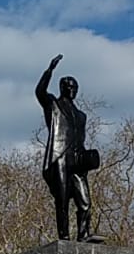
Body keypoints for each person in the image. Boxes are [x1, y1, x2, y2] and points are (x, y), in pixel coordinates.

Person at [36, 53, 98, 241]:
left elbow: (81, 138)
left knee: (85, 203)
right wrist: (50, 70)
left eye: (75, 87)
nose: (73, 90)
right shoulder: (53, 105)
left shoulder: (81, 116)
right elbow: (39, 92)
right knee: (62, 202)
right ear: (62, 87)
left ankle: (84, 234)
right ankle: (64, 237)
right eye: (70, 87)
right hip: (60, 158)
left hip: (78, 161)